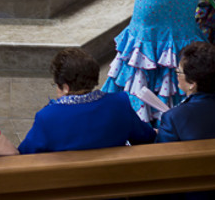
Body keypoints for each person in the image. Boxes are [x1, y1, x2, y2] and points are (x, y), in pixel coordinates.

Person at [20, 48, 153, 154]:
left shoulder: (47, 117)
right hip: (112, 180)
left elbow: (25, 153)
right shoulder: (120, 104)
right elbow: (147, 137)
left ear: (66, 87)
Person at [157, 42, 215, 143]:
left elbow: (161, 153)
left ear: (192, 83)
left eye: (179, 72)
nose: (177, 75)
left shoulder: (173, 117)